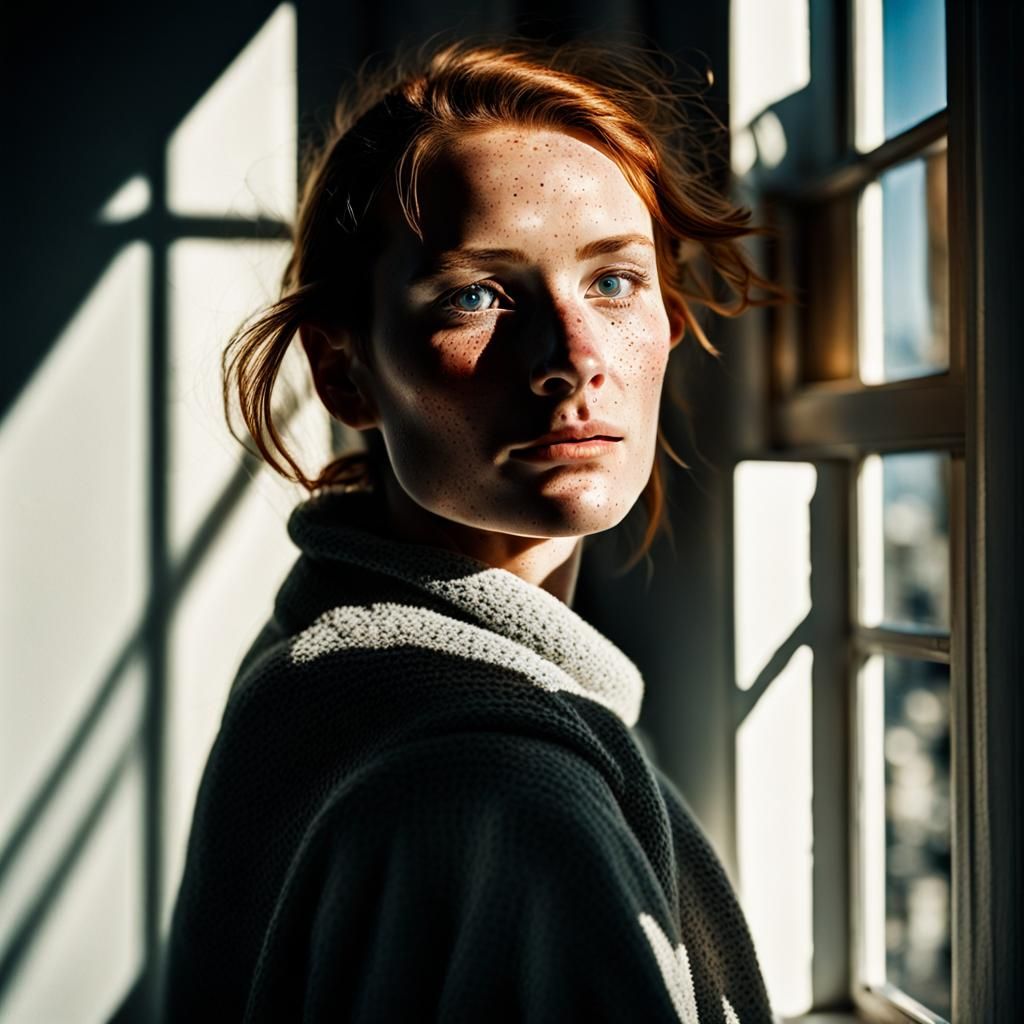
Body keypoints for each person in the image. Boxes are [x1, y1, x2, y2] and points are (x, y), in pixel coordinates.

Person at [161, 33, 783, 1024]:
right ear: (344, 370)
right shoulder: (498, 799)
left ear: (667, 319)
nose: (573, 358)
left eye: (614, 280)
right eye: (476, 294)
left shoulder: (324, 649)